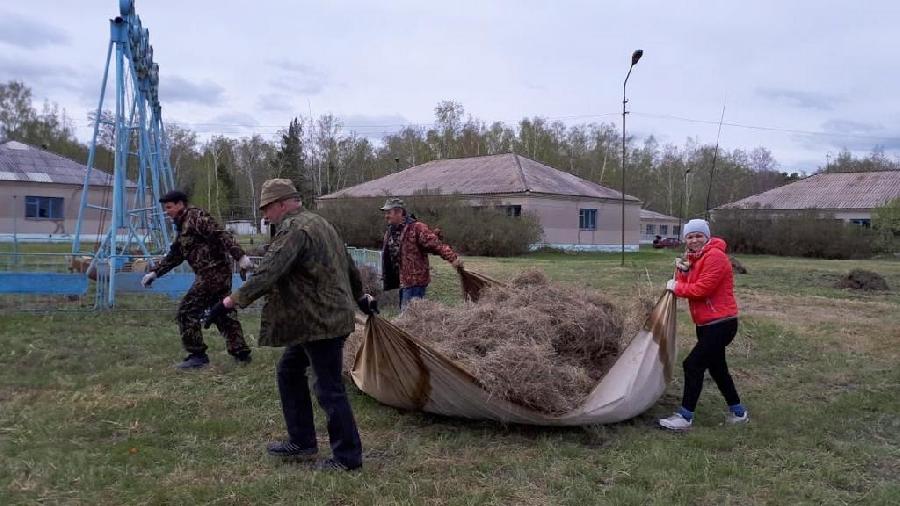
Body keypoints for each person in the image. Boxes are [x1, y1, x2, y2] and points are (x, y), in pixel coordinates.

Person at [204, 179, 376, 472]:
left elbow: (269, 271)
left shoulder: (294, 229)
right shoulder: (320, 223)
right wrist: (360, 296)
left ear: (282, 203)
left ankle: (347, 458)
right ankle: (302, 441)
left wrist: (227, 303)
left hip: (320, 321)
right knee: (289, 371)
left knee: (328, 388)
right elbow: (347, 263)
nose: (265, 216)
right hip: (320, 319)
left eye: (267, 209)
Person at [141, 190, 253, 369]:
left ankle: (197, 355)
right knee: (222, 312)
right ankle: (241, 353)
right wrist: (154, 273)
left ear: (180, 204)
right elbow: (176, 254)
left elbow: (220, 234)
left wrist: (240, 256)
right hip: (214, 274)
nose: (167, 211)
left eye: (169, 207)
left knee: (187, 311)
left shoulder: (196, 217)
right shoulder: (182, 226)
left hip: (212, 273)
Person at [659, 218, 748, 431]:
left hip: (721, 323)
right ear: (685, 240)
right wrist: (682, 271)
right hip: (706, 324)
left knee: (693, 364)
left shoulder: (715, 257)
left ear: (707, 237)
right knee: (717, 368)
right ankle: (738, 412)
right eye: (690, 236)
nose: (694, 239)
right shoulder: (694, 259)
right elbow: (690, 284)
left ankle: (685, 416)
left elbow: (702, 290)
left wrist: (676, 287)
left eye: (699, 235)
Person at [380, 197, 462, 309]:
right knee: (407, 317)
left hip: (416, 282)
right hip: (403, 282)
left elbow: (436, 245)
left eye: (389, 213)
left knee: (409, 318)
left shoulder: (416, 228)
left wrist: (453, 258)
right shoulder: (390, 232)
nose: (386, 216)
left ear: (399, 212)